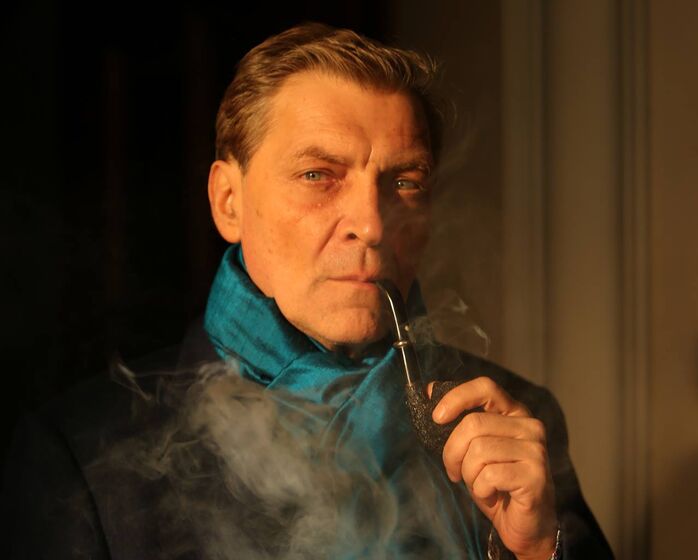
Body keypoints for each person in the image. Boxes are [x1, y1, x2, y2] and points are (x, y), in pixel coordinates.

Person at [3, 23, 613, 559]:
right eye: (318, 175)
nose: (371, 225)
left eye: (404, 181)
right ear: (228, 201)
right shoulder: (82, 457)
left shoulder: (514, 421)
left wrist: (537, 551)